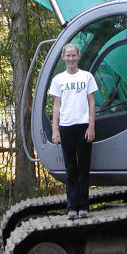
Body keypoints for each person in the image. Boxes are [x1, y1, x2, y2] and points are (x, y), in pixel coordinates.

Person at [49, 43, 97, 220]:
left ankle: (83, 206)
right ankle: (72, 207)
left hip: (83, 126)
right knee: (70, 169)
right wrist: (55, 129)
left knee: (83, 167)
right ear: (63, 57)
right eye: (67, 55)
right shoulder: (58, 80)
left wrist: (91, 126)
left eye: (73, 55)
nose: (70, 59)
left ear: (78, 56)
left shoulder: (87, 77)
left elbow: (92, 102)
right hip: (66, 127)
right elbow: (56, 105)